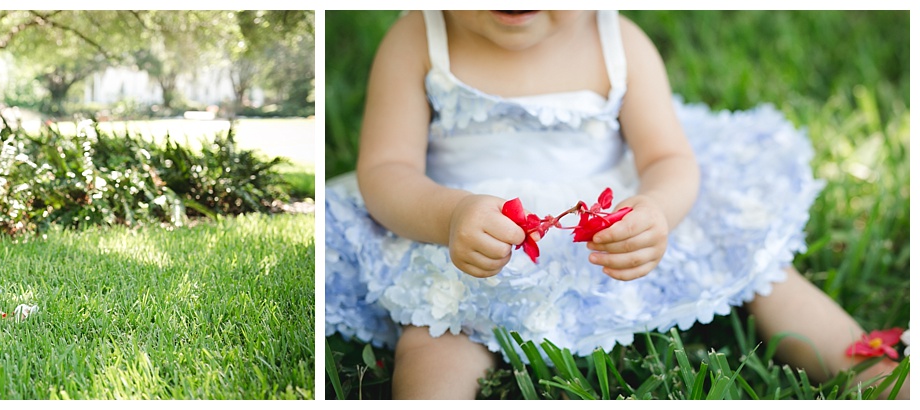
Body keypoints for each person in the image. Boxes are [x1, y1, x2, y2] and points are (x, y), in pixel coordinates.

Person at [324, 10, 908, 399]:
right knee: (432, 338)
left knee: (762, 273)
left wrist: (657, 210)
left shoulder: (618, 40)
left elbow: (669, 161)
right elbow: (386, 170)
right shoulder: (416, 37)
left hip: (611, 223)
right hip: (468, 236)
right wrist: (447, 216)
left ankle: (873, 366)